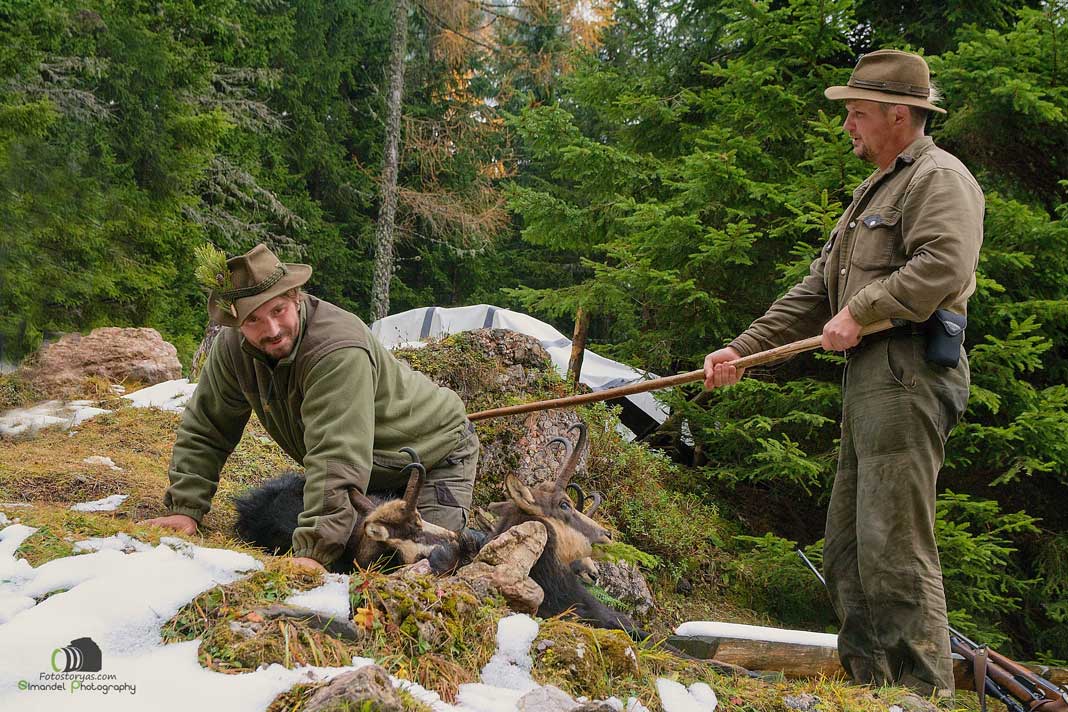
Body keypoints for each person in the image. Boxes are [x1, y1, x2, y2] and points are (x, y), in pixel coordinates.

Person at [703, 50, 983, 696]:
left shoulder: (940, 177)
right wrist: (741, 349)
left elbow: (944, 264)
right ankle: (873, 693)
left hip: (909, 371)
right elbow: (815, 292)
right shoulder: (876, 190)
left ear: (898, 115)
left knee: (894, 544)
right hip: (873, 378)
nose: (848, 126)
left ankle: (921, 697)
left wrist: (862, 310)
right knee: (849, 551)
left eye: (857, 113)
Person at [141, 244, 479, 574]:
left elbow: (337, 453)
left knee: (426, 567)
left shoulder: (337, 350)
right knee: (284, 527)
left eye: (278, 311)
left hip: (433, 459)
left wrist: (314, 551)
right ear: (236, 321)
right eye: (254, 319)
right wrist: (185, 508)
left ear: (296, 298)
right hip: (365, 469)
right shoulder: (233, 349)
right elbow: (207, 427)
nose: (271, 330)